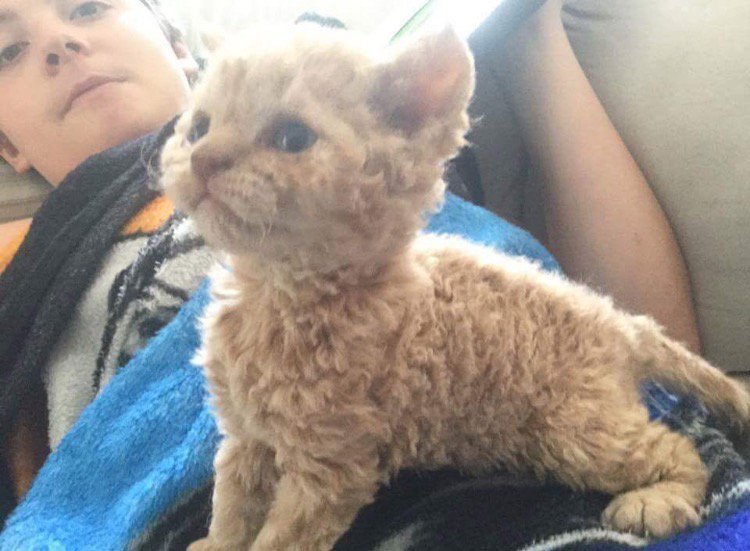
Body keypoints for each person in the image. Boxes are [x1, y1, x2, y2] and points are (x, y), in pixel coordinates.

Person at [0, 0, 700, 527]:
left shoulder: (367, 130)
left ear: (183, 51)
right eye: (8, 50)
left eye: (87, 7)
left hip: (498, 454)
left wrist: (529, 34)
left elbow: (639, 340)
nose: (59, 43)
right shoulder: (19, 261)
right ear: (8, 149)